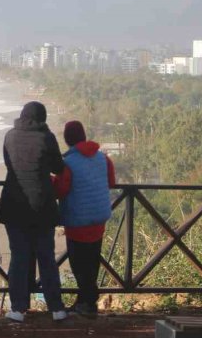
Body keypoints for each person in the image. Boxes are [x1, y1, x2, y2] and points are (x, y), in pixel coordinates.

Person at [0, 101, 67, 322]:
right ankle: (55, 307)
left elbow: (9, 164)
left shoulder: (10, 136)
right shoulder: (47, 138)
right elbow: (58, 167)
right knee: (46, 256)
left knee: (19, 256)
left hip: (15, 204)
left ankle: (18, 307)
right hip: (42, 205)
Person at [52, 121, 115, 318]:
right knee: (92, 260)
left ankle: (88, 302)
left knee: (78, 263)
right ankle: (86, 300)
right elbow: (111, 182)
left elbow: (60, 190)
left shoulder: (67, 163)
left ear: (67, 139)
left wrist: (51, 180)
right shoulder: (103, 158)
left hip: (77, 219)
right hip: (98, 218)